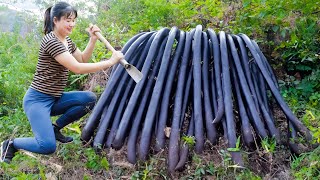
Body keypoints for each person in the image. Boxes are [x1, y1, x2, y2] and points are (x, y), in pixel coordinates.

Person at [0, 1, 124, 163]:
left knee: (89, 99)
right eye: (68, 20)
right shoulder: (51, 41)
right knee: (47, 146)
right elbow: (77, 68)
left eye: (73, 20)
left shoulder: (67, 41)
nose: (72, 24)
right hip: (37, 101)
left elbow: (82, 59)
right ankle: (11, 144)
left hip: (54, 99)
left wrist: (92, 39)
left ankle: (55, 128)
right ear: (55, 20)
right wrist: (110, 61)